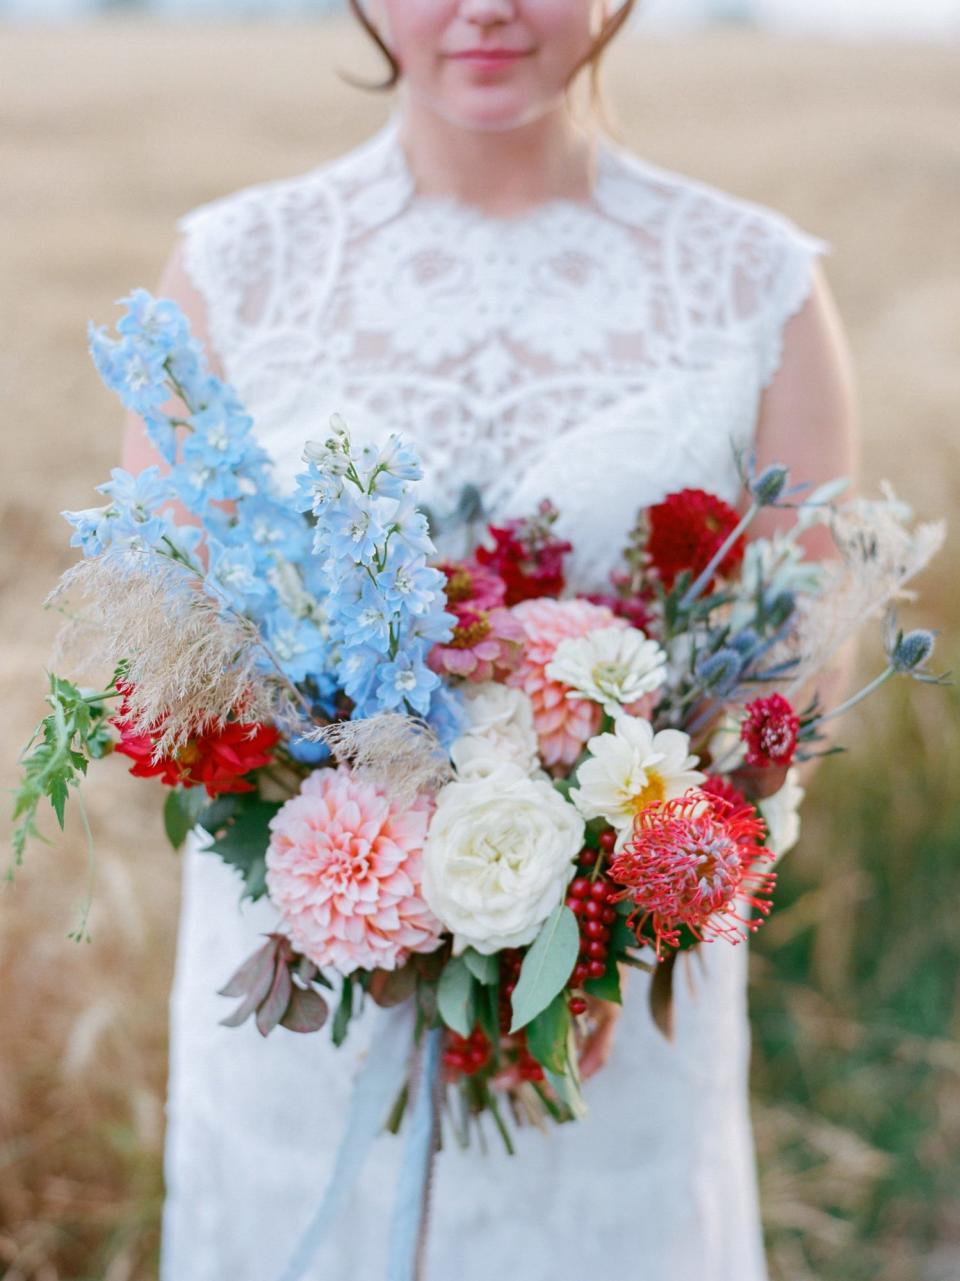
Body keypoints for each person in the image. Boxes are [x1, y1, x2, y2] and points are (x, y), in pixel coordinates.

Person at [122, 2, 858, 1277]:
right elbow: (166, 633)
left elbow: (806, 667)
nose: (485, 7)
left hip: (608, 1017)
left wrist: (612, 868)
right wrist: (356, 823)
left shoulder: (755, 279)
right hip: (305, 1009)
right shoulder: (236, 265)